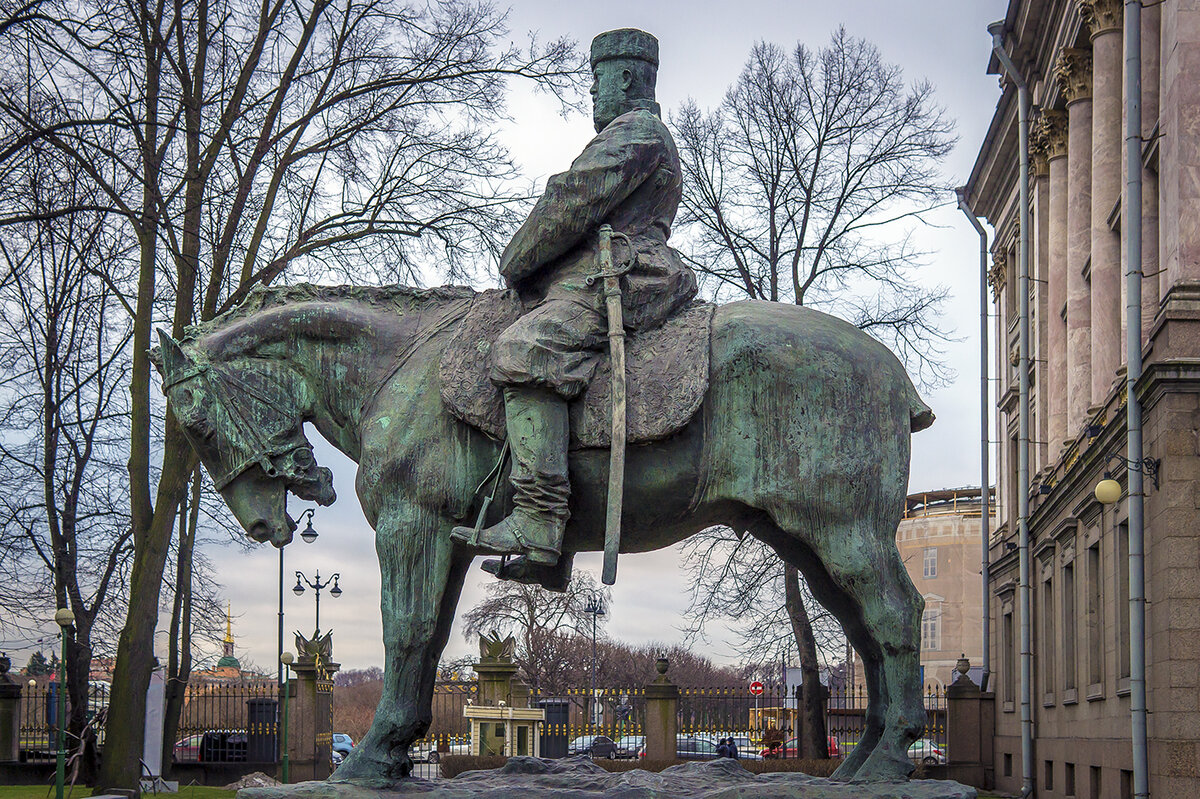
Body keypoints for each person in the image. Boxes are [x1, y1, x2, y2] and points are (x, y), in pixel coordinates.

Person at [450, 28, 697, 572]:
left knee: (523, 349)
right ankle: (552, 551)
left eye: (595, 81)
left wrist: (518, 262)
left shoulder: (637, 131)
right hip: (605, 272)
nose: (591, 94)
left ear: (626, 77)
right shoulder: (641, 134)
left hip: (619, 276)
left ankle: (539, 514)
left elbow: (570, 201)